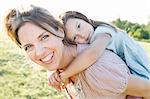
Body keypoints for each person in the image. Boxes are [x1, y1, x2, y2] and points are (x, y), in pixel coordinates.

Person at [4, 5, 150, 99]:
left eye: (44, 37)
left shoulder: (98, 61)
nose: (39, 52)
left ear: (60, 32)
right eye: (28, 46)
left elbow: (147, 90)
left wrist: (63, 75)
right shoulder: (64, 66)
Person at [54, 11, 150, 83]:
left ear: (83, 18)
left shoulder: (101, 32)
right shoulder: (91, 42)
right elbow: (74, 56)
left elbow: (92, 54)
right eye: (75, 37)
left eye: (79, 26)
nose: (82, 35)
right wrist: (57, 71)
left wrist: (65, 75)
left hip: (141, 73)